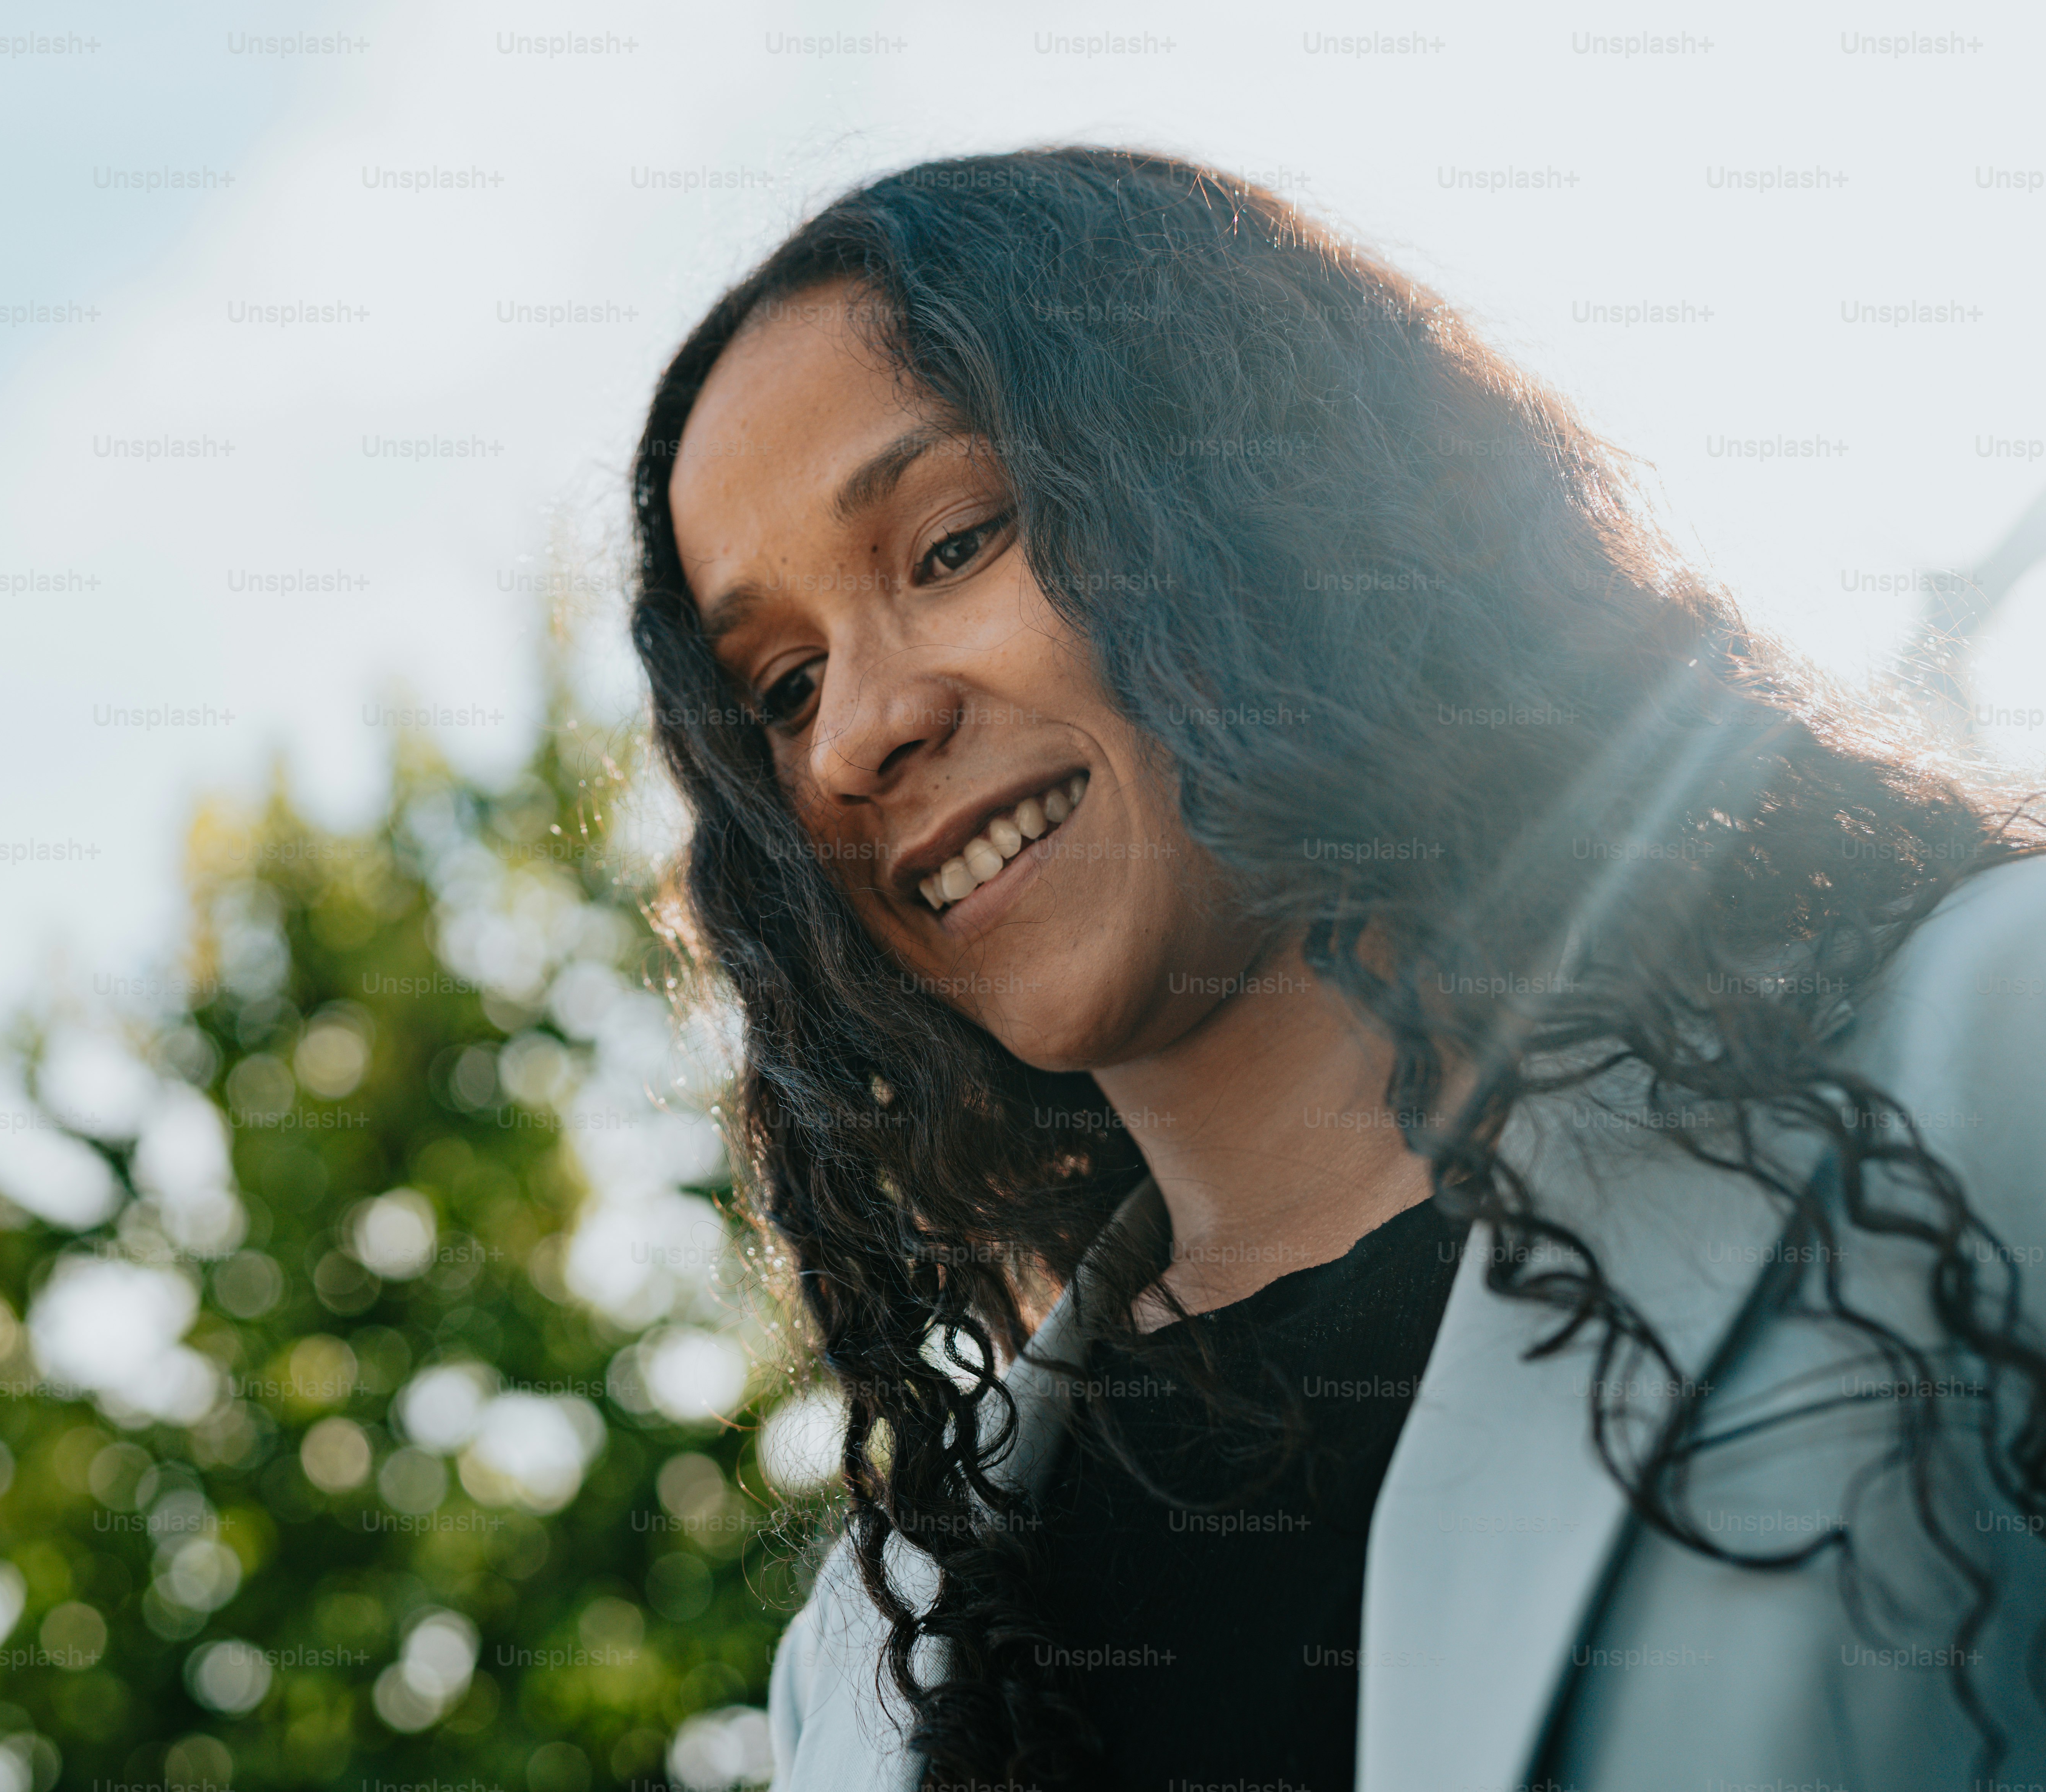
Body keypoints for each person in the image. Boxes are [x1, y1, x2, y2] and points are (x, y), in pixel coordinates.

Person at [624, 147, 2046, 1792]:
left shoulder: (1985, 1063)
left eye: (953, 545)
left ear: (1246, 491)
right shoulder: (857, 1681)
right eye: (784, 687)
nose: (860, 733)